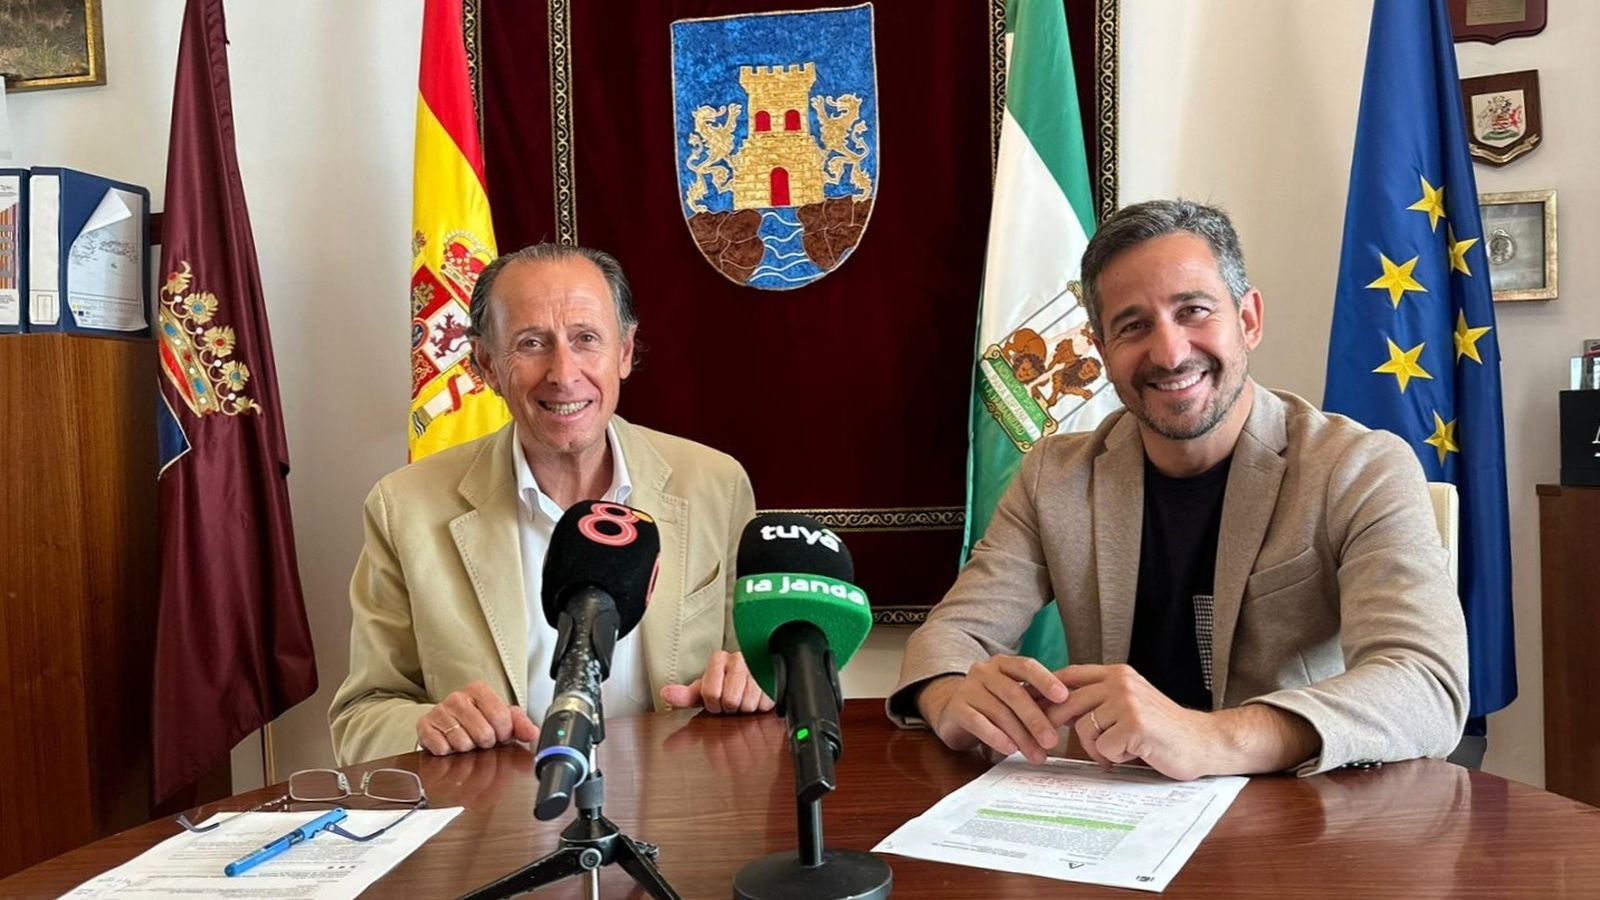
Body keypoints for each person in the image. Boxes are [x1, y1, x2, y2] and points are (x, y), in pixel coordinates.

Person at [889, 199, 1468, 779]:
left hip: (1294, 820)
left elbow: (1425, 684)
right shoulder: (1055, 476)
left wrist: (1214, 737)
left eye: (1192, 310)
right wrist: (947, 696)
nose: (1168, 352)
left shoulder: (1359, 467)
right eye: (1133, 325)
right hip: (1113, 817)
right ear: (1101, 351)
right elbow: (952, 635)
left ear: (1248, 320)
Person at [331, 244, 770, 765]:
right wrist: (426, 724)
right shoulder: (405, 508)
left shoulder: (714, 485)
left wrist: (758, 679)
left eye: (586, 339)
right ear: (488, 365)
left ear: (625, 352)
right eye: (532, 343)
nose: (564, 373)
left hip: (680, 823)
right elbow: (361, 716)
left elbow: (760, 668)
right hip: (498, 828)